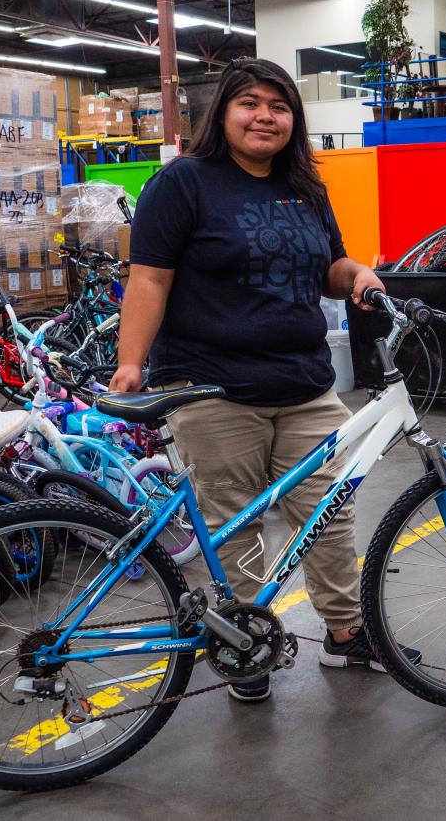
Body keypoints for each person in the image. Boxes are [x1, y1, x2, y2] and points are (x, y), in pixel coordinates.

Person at [108, 58, 412, 703]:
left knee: (328, 515)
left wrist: (357, 272)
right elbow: (149, 277)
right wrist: (131, 362)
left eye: (279, 106)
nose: (264, 116)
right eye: (249, 103)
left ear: (293, 120)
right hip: (212, 388)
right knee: (234, 524)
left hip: (303, 382)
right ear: (222, 112)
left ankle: (346, 631)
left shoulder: (305, 185)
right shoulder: (183, 183)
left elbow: (326, 264)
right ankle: (245, 644)